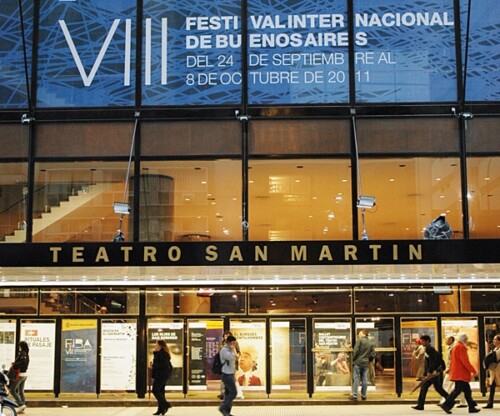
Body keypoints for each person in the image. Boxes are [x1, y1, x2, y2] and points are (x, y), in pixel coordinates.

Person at [439, 333, 480, 414]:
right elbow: (465, 361)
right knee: (457, 390)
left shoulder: (455, 347)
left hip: (457, 372)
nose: (467, 340)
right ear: (464, 339)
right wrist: (473, 371)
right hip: (461, 373)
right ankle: (446, 404)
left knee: (467, 391)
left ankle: (471, 407)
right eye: (466, 339)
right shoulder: (461, 347)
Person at [412, 335, 448, 410]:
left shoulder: (430, 349)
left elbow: (433, 362)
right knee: (425, 387)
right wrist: (426, 372)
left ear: (427, 341)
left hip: (434, 373)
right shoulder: (427, 349)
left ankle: (450, 400)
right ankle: (420, 405)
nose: (421, 342)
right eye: (421, 341)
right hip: (432, 372)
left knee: (438, 388)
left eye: (423, 341)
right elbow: (427, 362)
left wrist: (430, 372)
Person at [441, 336, 467, 408]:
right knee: (459, 387)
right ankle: (463, 402)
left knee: (446, 384)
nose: (446, 340)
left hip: (452, 369)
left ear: (451, 340)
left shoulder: (453, 348)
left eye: (447, 339)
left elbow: (452, 360)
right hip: (453, 369)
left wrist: (449, 368)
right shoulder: (450, 347)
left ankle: (445, 401)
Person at [350, 329, 375, 401]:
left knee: (356, 378)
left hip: (358, 363)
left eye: (360, 333)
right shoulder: (371, 343)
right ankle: (364, 395)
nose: (359, 334)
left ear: (363, 333)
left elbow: (355, 351)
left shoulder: (359, 340)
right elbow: (373, 354)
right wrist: (368, 360)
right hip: (366, 363)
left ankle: (355, 395)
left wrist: (354, 359)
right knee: (364, 379)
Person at [217, 331, 243, 400]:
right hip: (224, 364)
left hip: (232, 364)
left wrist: (234, 353)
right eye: (225, 335)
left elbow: (238, 353)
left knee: (232, 379)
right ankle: (223, 393)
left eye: (227, 335)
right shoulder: (222, 344)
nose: (226, 337)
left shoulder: (235, 344)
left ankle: (234, 393)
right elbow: (220, 353)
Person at [219, 335, 239, 416]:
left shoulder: (229, 350)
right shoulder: (224, 350)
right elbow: (235, 357)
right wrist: (233, 349)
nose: (234, 344)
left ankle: (227, 412)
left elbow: (236, 357)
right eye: (233, 343)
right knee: (233, 392)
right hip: (226, 375)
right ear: (229, 343)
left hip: (230, 374)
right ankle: (223, 408)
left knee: (228, 393)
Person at [151, 339, 172, 415]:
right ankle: (161, 409)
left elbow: (163, 365)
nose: (155, 346)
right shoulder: (159, 353)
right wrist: (155, 353)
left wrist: (153, 365)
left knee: (155, 390)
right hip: (160, 374)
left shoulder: (163, 354)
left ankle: (166, 404)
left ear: (160, 345)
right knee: (161, 392)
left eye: (156, 344)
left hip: (162, 375)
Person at [10, 340, 29, 414]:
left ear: (21, 346)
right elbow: (24, 363)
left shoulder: (22, 353)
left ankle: (21, 405)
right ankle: (22, 408)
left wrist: (15, 365)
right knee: (21, 391)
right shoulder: (26, 353)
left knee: (12, 390)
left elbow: (22, 363)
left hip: (20, 375)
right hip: (24, 374)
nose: (19, 347)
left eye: (20, 346)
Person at [483, 333, 500, 409]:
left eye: (495, 339)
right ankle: (490, 403)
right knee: (492, 387)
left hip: (498, 371)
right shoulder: (495, 349)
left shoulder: (498, 350)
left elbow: (495, 358)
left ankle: (490, 403)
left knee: (493, 387)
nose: (493, 340)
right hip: (494, 372)